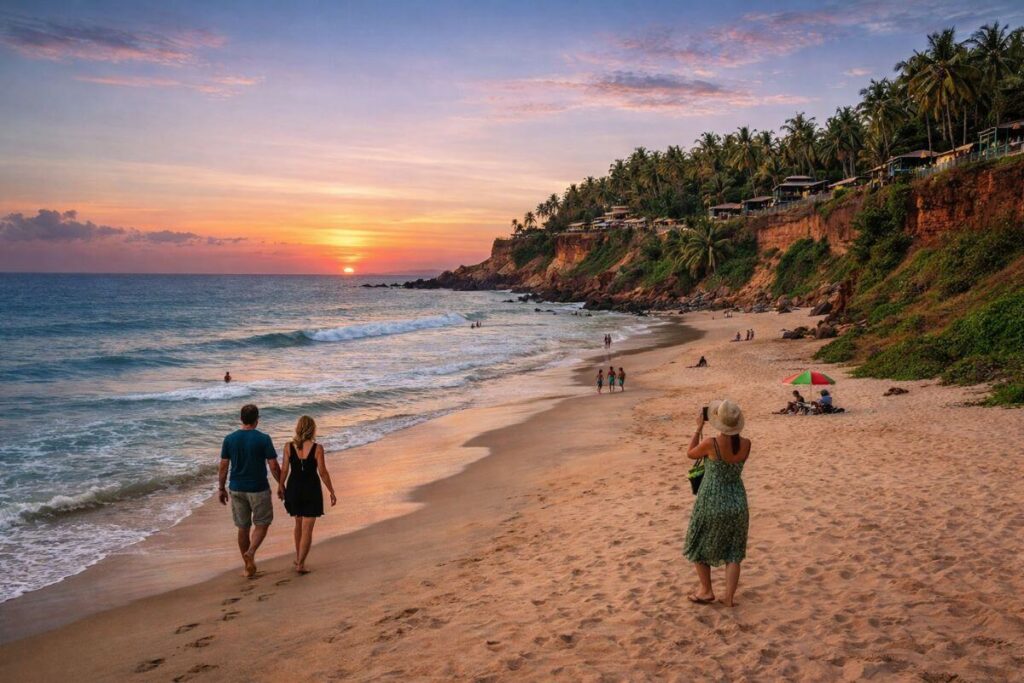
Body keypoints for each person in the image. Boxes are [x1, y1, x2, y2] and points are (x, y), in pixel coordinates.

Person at [683, 399, 750, 607]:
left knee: (698, 542)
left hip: (712, 499)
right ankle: (728, 598)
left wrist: (698, 428)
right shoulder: (746, 444)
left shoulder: (711, 443)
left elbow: (690, 453)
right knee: (734, 552)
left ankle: (706, 590)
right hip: (737, 501)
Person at [218, 404, 281, 577]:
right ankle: (251, 552)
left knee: (243, 527)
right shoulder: (263, 439)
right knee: (262, 523)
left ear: (241, 419)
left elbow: (223, 467)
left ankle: (248, 567)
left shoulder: (229, 439)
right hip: (258, 488)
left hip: (236, 488)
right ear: (257, 420)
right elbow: (273, 466)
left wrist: (221, 488)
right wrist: (282, 484)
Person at [278, 415, 337, 574]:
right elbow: (323, 472)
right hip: (311, 489)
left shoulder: (288, 447)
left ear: (298, 428)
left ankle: (299, 558)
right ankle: (300, 564)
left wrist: (280, 485)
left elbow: (284, 469)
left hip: (294, 488)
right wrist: (331, 491)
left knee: (298, 524)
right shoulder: (317, 448)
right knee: (307, 529)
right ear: (312, 429)